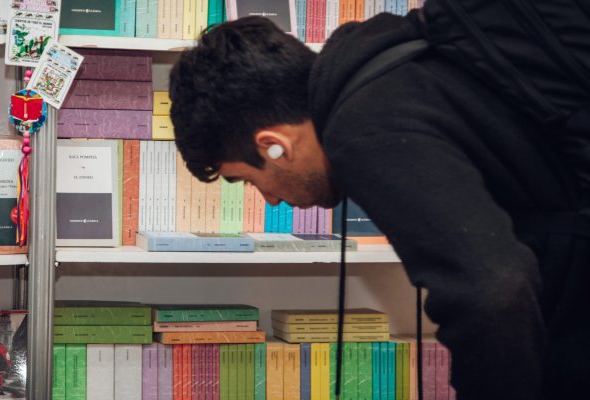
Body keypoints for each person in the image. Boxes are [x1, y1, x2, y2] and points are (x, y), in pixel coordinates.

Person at [168, 2, 589, 399]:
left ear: (274, 146)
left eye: (248, 180)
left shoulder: (364, 131)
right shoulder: (395, 72)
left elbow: (491, 293)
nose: (271, 200)